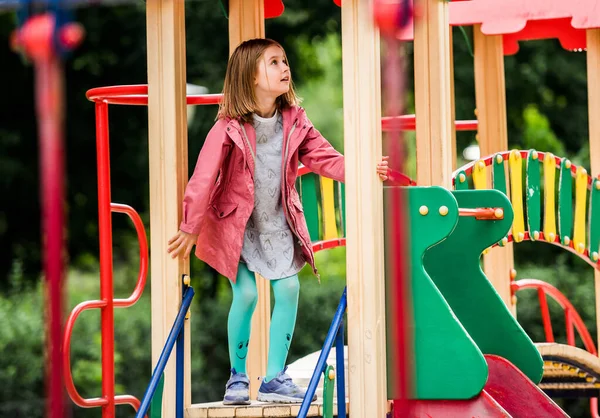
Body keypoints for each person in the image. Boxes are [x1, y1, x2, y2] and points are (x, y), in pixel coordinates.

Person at [167, 38, 390, 405]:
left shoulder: (295, 121)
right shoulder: (230, 127)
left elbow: (325, 158)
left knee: (288, 290)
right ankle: (237, 378)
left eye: (284, 61)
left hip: (275, 223)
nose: (284, 68)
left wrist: (364, 167)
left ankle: (273, 378)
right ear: (249, 77)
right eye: (273, 62)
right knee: (248, 292)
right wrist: (190, 226)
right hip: (234, 226)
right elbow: (204, 175)